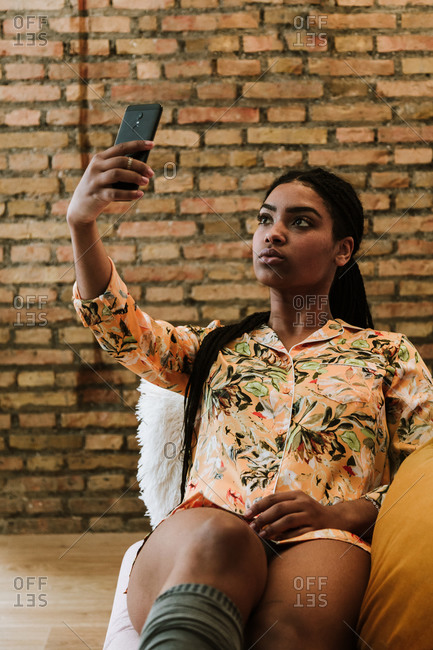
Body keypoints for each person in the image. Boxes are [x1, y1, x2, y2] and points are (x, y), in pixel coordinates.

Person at [67, 139, 433, 650]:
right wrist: (82, 223)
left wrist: (341, 514)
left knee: (291, 624)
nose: (273, 233)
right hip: (202, 535)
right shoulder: (215, 347)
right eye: (266, 219)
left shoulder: (388, 355)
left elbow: (423, 477)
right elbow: (120, 327)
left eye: (301, 222)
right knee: (223, 536)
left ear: (342, 249)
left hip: (322, 537)